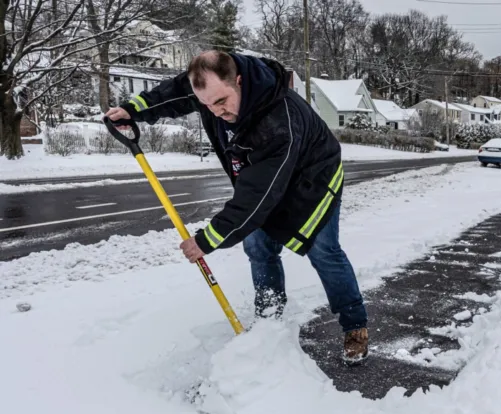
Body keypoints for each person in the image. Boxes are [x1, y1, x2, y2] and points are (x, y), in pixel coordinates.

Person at [104, 50, 369, 364]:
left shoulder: (278, 122)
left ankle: (355, 326)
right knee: (258, 247)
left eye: (221, 102)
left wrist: (207, 240)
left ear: (239, 81)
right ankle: (270, 319)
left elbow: (254, 198)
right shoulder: (214, 85)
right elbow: (176, 92)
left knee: (324, 251)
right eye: (207, 105)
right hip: (266, 177)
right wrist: (135, 109)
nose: (216, 112)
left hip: (312, 181)